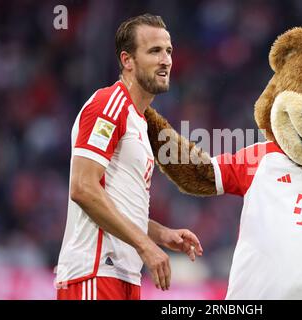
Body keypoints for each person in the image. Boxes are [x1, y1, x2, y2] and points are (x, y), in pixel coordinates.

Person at [55, 14, 203, 300]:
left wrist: (160, 234)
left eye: (169, 51)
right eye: (154, 51)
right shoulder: (109, 105)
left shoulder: (139, 121)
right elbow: (83, 188)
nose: (166, 60)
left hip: (123, 274)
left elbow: (116, 203)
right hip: (94, 272)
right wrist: (145, 246)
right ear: (128, 61)